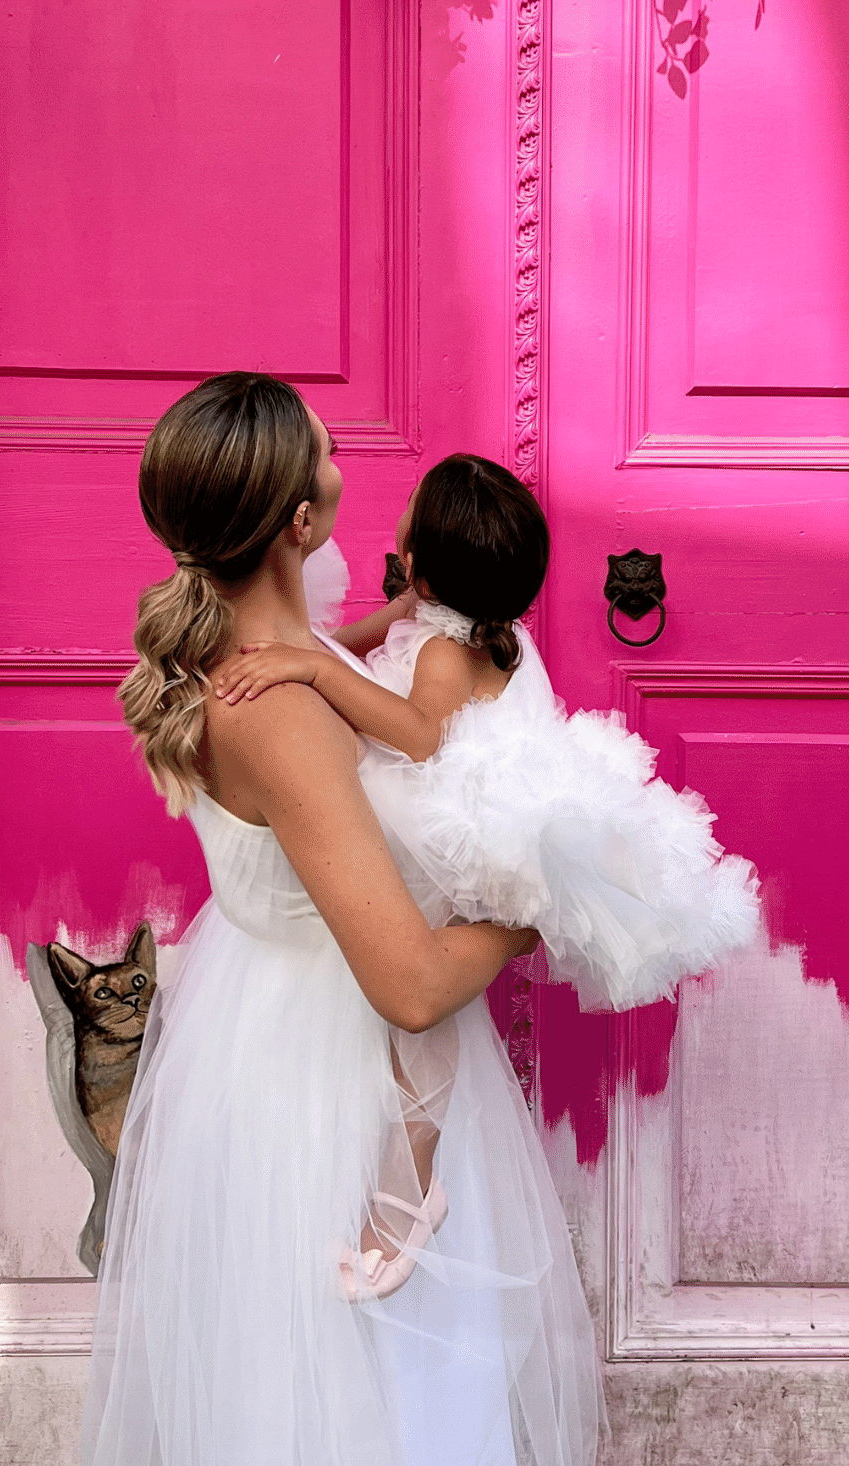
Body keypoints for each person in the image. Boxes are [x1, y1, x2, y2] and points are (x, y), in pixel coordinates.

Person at [80, 373, 602, 1466]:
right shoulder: (287, 708)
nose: (344, 482)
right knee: (298, 1438)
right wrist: (561, 892)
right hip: (317, 1075)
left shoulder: (273, 658)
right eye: (326, 470)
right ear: (297, 517)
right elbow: (412, 978)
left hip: (300, 1044)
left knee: (361, 1416)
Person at [213, 452, 761, 1296]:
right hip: (455, 821)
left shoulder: (442, 651)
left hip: (446, 838)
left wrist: (314, 670)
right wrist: (306, 651)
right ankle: (404, 1185)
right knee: (407, 1032)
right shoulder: (446, 620)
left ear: (424, 553)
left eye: (411, 509)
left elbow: (419, 734)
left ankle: (406, 1197)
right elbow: (346, 650)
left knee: (416, 1033)